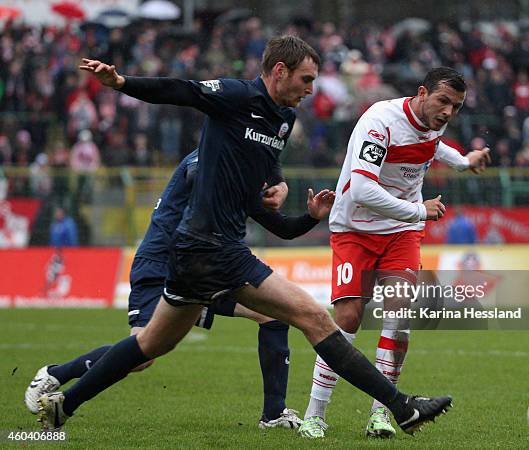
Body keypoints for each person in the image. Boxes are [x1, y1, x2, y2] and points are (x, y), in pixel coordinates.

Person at [38, 36, 452, 436]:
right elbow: (182, 90)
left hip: (200, 253)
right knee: (311, 318)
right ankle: (402, 408)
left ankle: (64, 404)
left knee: (149, 345)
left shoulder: (284, 120)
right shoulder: (236, 96)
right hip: (212, 247)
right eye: (306, 79)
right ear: (279, 70)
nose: (310, 89)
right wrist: (123, 83)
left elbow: (269, 191)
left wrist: (297, 204)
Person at [28, 148, 336, 429]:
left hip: (208, 265)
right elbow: (198, 175)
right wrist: (253, 186)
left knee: (272, 315)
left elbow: (282, 228)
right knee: (144, 354)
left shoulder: (241, 167)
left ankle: (273, 414)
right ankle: (58, 374)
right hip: (162, 262)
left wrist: (311, 217)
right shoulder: (209, 154)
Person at [299, 67, 491, 438]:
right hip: (354, 228)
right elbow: (361, 191)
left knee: (399, 313)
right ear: (422, 93)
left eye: (457, 106)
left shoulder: (436, 122)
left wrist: (465, 161)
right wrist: (421, 210)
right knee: (349, 318)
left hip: (400, 231)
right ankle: (315, 414)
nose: (449, 112)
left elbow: (433, 146)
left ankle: (381, 414)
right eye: (443, 101)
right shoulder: (379, 123)